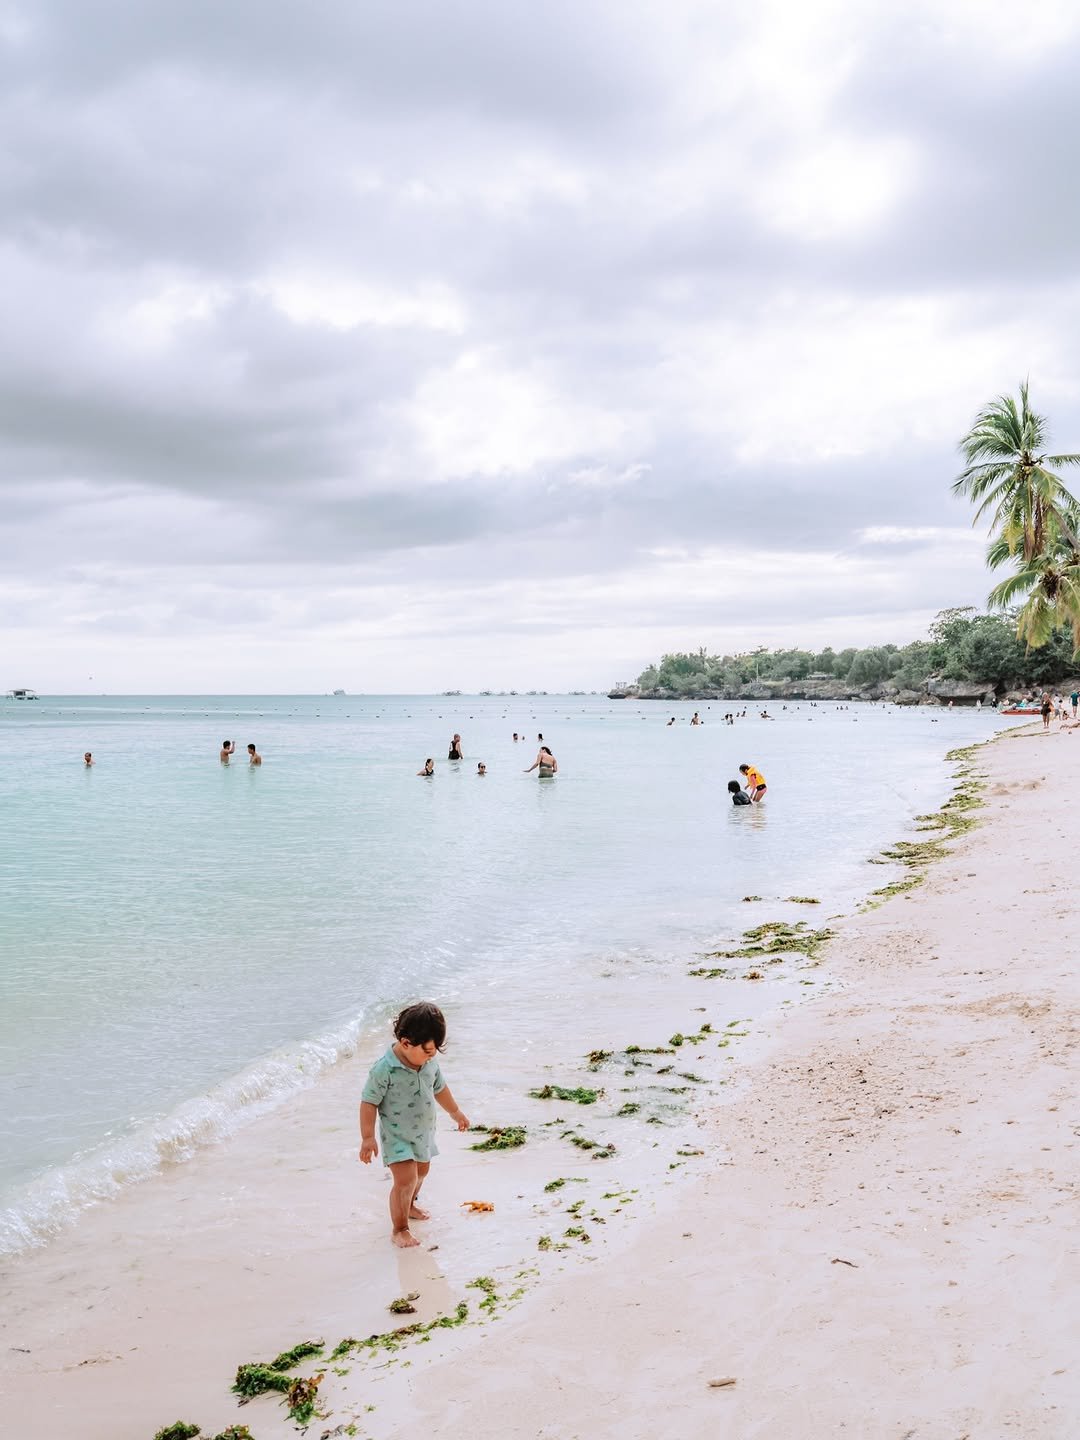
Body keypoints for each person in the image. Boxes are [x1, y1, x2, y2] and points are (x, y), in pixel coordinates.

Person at [359, 1001, 470, 1249]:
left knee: (422, 1172)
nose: (432, 1056)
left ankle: (408, 1205)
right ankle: (399, 1229)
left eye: (434, 1051)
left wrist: (455, 1112)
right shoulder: (384, 1069)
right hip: (397, 1136)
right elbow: (368, 1102)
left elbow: (440, 1088)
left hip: (423, 1133)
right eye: (428, 1051)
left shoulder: (429, 1064)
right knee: (406, 1180)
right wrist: (367, 1137)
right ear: (406, 1043)